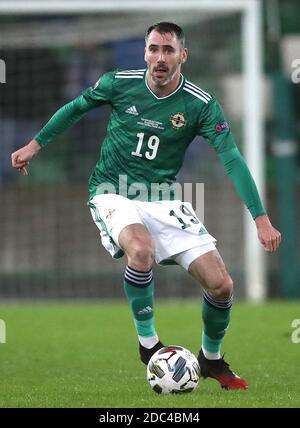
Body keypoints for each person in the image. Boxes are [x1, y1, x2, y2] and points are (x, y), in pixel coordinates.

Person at [11, 22, 281, 390]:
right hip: (112, 190)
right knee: (141, 250)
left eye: (168, 50)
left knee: (221, 286)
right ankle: (149, 345)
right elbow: (75, 108)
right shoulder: (118, 82)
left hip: (163, 198)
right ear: (144, 52)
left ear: (182, 56)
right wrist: (34, 145)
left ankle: (211, 360)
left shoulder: (200, 105)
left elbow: (231, 159)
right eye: (153, 49)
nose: (159, 57)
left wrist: (261, 219)